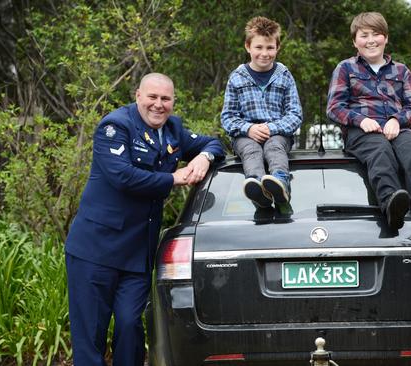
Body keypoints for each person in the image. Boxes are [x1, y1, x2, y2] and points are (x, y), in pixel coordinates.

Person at [65, 73, 225, 366]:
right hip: (95, 251)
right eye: (152, 97)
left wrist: (204, 158)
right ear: (138, 95)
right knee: (90, 338)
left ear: (173, 102)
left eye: (165, 99)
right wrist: (173, 178)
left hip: (138, 253)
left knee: (130, 326)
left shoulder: (173, 129)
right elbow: (122, 177)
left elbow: (214, 144)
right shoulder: (115, 126)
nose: (158, 105)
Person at [325, 11, 411, 231]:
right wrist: (360, 120)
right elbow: (334, 108)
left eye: (376, 34)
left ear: (386, 38)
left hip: (397, 128)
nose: (371, 40)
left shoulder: (401, 71)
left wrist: (397, 120)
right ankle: (392, 204)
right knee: (379, 150)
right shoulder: (346, 68)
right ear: (355, 42)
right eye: (364, 35)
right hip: (361, 132)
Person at [221, 16, 302, 209]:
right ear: (248, 47)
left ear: (277, 48)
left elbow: (295, 114)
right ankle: (257, 187)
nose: (264, 53)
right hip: (245, 135)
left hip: (278, 135)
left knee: (274, 147)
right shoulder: (237, 78)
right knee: (251, 150)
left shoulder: (284, 76)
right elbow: (228, 117)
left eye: (270, 48)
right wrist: (249, 129)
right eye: (259, 47)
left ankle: (281, 183)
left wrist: (270, 128)